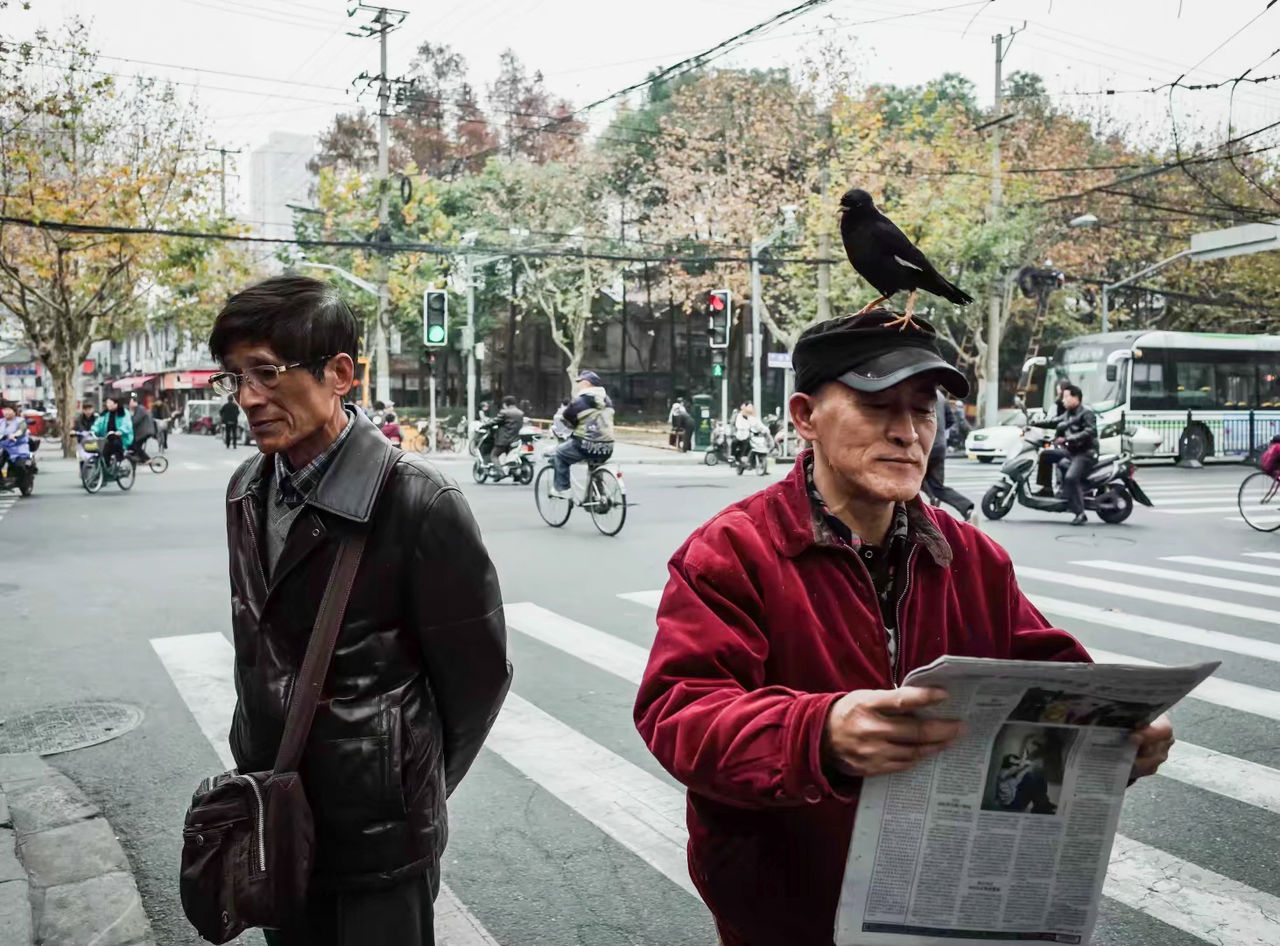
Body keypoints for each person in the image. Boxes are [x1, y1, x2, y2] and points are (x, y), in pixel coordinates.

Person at [632, 310, 1174, 946]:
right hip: (792, 907)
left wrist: (1117, 736)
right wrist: (819, 734)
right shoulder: (733, 551)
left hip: (951, 899)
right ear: (805, 417)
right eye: (875, 407)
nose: (906, 433)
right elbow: (681, 713)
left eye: (922, 410)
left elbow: (1050, 677)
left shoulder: (971, 556)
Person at [207, 275, 511, 946]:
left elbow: (477, 681)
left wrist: (401, 789)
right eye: (234, 379)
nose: (248, 399)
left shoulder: (419, 503)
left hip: (378, 846)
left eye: (267, 373)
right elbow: (257, 649)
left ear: (340, 373)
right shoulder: (245, 490)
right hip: (275, 816)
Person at [1033, 383, 1097, 525]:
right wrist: (1035, 423)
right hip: (1071, 451)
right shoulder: (1068, 414)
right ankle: (1047, 488)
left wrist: (1068, 438)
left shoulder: (1087, 414)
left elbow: (1090, 431)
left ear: (1076, 398)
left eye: (1066, 397)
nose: (1063, 400)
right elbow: (1053, 422)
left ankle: (1080, 513)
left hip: (1085, 453)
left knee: (1071, 477)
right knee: (1045, 455)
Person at [550, 370, 614, 499]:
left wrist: (571, 427)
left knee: (560, 454)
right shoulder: (607, 400)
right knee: (595, 466)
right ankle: (598, 496)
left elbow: (567, 416)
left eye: (579, 383)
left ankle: (562, 489)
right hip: (608, 446)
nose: (578, 386)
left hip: (586, 445)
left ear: (586, 383)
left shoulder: (581, 400)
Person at [922, 389, 974, 520]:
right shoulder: (940, 396)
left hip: (925, 445)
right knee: (938, 486)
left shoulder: (918, 392)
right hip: (940, 446)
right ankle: (965, 507)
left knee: (911, 475)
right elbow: (950, 420)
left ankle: (932, 497)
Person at [91, 396, 133, 467]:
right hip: (107, 437)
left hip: (121, 438)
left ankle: (119, 462)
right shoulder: (105, 414)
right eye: (107, 403)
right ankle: (107, 469)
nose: (108, 404)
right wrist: (93, 431)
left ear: (116, 404)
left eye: (110, 403)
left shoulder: (124, 413)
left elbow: (127, 425)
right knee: (103, 451)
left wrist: (120, 431)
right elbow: (98, 424)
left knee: (116, 444)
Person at [489, 395, 524, 470]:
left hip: (504, 440)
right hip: (515, 440)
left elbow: (494, 421)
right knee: (511, 457)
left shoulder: (504, 412)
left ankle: (500, 472)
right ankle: (514, 473)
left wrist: (484, 425)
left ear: (505, 404)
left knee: (494, 455)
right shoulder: (520, 413)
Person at [0, 402, 31, 479]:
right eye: (4, 409)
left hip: (18, 449)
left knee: (19, 467)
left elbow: (22, 429)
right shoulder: (1, 421)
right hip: (3, 448)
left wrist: (14, 435)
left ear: (14, 411)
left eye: (8, 409)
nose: (6, 411)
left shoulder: (20, 421)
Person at [130, 394, 155, 462]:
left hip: (145, 432)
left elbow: (135, 421)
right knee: (135, 445)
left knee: (136, 446)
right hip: (142, 432)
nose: (130, 403)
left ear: (135, 402)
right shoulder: (138, 409)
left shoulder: (140, 409)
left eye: (131, 402)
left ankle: (147, 459)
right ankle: (139, 458)